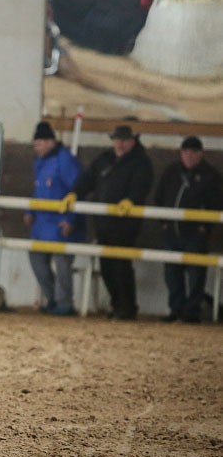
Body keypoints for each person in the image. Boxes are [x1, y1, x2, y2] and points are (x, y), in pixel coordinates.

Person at [64, 125, 153, 320]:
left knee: (120, 265)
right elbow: (86, 179)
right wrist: (75, 193)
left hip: (125, 224)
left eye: (124, 140)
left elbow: (142, 186)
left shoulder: (141, 163)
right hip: (103, 222)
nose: (120, 144)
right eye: (117, 139)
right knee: (106, 266)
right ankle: (117, 305)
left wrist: (132, 199)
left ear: (133, 141)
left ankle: (127, 307)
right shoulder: (103, 160)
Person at [154, 136, 223, 323]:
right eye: (186, 152)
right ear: (181, 153)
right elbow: (159, 197)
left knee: (196, 275)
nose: (189, 156)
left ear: (201, 154)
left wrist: (205, 228)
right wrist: (164, 222)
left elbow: (216, 204)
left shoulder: (211, 175)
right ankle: (176, 310)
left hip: (195, 235)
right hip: (172, 233)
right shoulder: (171, 172)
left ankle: (191, 312)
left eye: (194, 153)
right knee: (172, 274)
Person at [24, 122, 85, 315]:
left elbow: (78, 191)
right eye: (35, 144)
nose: (37, 147)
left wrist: (71, 219)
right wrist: (30, 210)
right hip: (41, 224)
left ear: (51, 142)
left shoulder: (66, 161)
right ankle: (53, 298)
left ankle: (64, 303)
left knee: (62, 263)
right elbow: (38, 190)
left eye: (40, 143)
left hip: (61, 224)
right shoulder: (39, 161)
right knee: (36, 259)